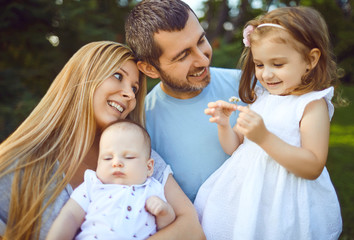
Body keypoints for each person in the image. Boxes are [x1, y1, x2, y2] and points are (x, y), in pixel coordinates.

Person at [0, 41, 204, 240]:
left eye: (134, 89)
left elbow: (193, 230)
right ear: (84, 77)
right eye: (117, 76)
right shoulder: (18, 167)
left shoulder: (138, 153)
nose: (129, 95)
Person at [194, 6, 343, 239]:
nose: (266, 75)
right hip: (246, 196)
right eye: (260, 64)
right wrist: (224, 124)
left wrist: (264, 138)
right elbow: (235, 148)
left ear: (311, 60)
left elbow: (313, 166)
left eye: (278, 64)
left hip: (284, 200)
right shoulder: (262, 99)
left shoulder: (312, 105)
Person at [125, 0, 243, 202]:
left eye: (201, 41)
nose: (204, 60)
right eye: (183, 56)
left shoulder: (251, 85)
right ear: (150, 69)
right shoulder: (141, 128)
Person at [46, 120, 175, 239]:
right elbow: (71, 216)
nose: (116, 162)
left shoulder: (153, 188)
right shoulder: (92, 185)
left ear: (149, 167)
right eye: (107, 158)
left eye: (129, 157)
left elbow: (166, 226)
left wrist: (164, 212)